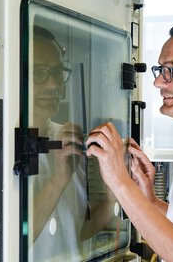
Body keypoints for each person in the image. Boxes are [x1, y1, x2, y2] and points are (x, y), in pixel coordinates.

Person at [86, 18, 173, 261]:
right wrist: (151, 202)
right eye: (160, 70)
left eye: (172, 70)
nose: (158, 82)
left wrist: (119, 180)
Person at [30, 24, 115, 262]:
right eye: (39, 73)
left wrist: (112, 196)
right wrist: (58, 181)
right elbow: (12, 238)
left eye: (57, 74)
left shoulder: (66, 138)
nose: (54, 85)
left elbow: (77, 231)